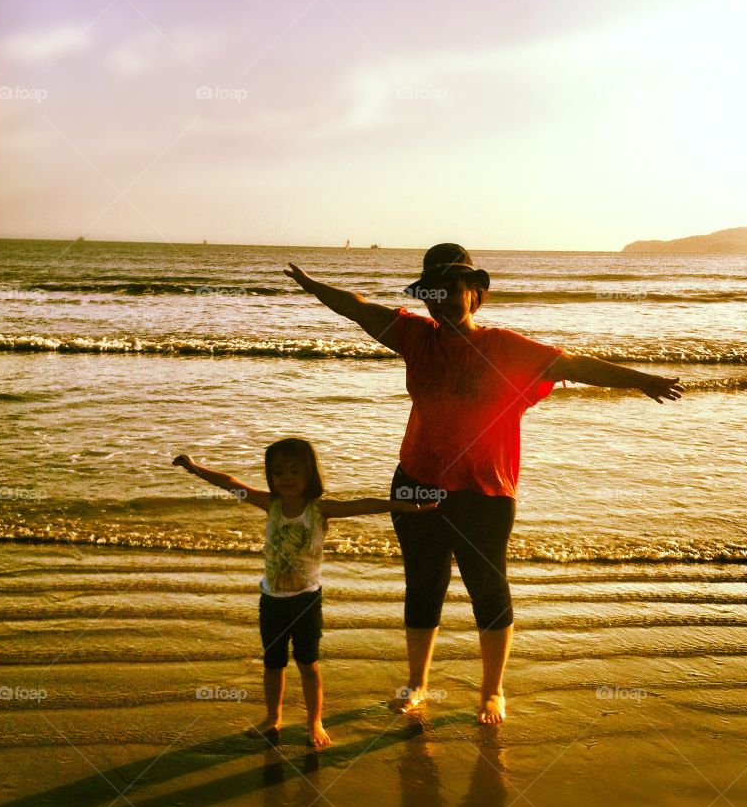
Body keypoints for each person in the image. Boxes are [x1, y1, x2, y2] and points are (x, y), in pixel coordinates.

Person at [283, 243, 683, 725]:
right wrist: (312, 287)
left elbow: (576, 366)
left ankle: (493, 692)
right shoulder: (415, 336)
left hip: (485, 491)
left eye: (454, 291)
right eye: (433, 292)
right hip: (415, 483)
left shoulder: (506, 348)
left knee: (487, 587)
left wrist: (643, 380)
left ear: (478, 296)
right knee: (423, 585)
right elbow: (358, 307)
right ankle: (417, 685)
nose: (442, 300)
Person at [173, 438, 431, 747]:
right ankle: (273, 718)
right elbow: (230, 483)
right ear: (271, 476)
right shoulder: (270, 504)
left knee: (309, 665)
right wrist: (195, 468)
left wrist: (404, 506)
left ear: (310, 474)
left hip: (307, 602)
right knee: (273, 663)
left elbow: (363, 505)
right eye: (279, 472)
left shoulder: (319, 509)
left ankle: (314, 721)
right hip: (271, 601)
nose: (287, 478)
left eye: (296, 471)